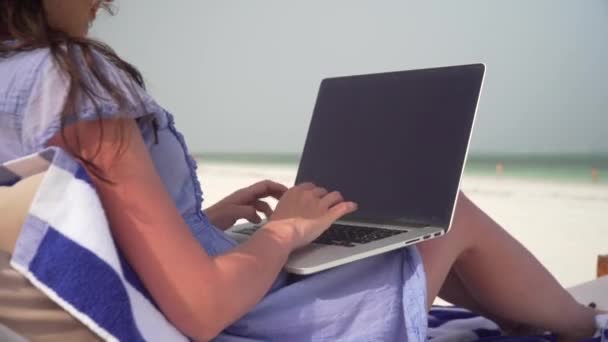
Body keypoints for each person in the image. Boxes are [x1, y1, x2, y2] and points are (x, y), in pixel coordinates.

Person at [0, 1, 602, 341]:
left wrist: (196, 220)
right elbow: (201, 308)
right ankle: (580, 329)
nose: (105, 2)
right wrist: (283, 231)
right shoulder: (69, 76)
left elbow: (82, 223)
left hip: (161, 295)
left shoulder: (14, 81)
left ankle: (541, 320)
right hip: (235, 318)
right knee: (445, 217)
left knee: (410, 227)